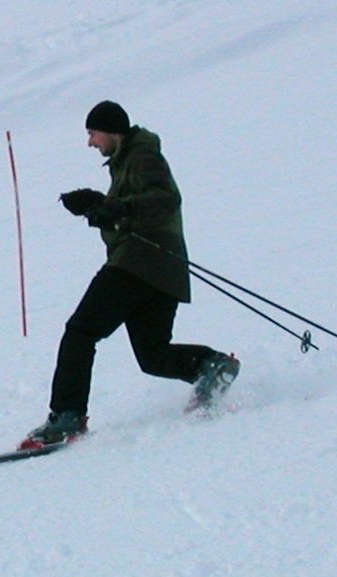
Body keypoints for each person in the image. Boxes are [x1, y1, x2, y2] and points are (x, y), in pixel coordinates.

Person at [26, 100, 239, 446]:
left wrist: (115, 207)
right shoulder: (128, 161)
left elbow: (165, 199)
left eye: (93, 133)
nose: (90, 142)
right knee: (152, 354)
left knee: (80, 331)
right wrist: (98, 206)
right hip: (163, 269)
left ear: (111, 131)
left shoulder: (142, 156)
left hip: (138, 262)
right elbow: (134, 210)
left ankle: (67, 416)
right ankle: (209, 366)